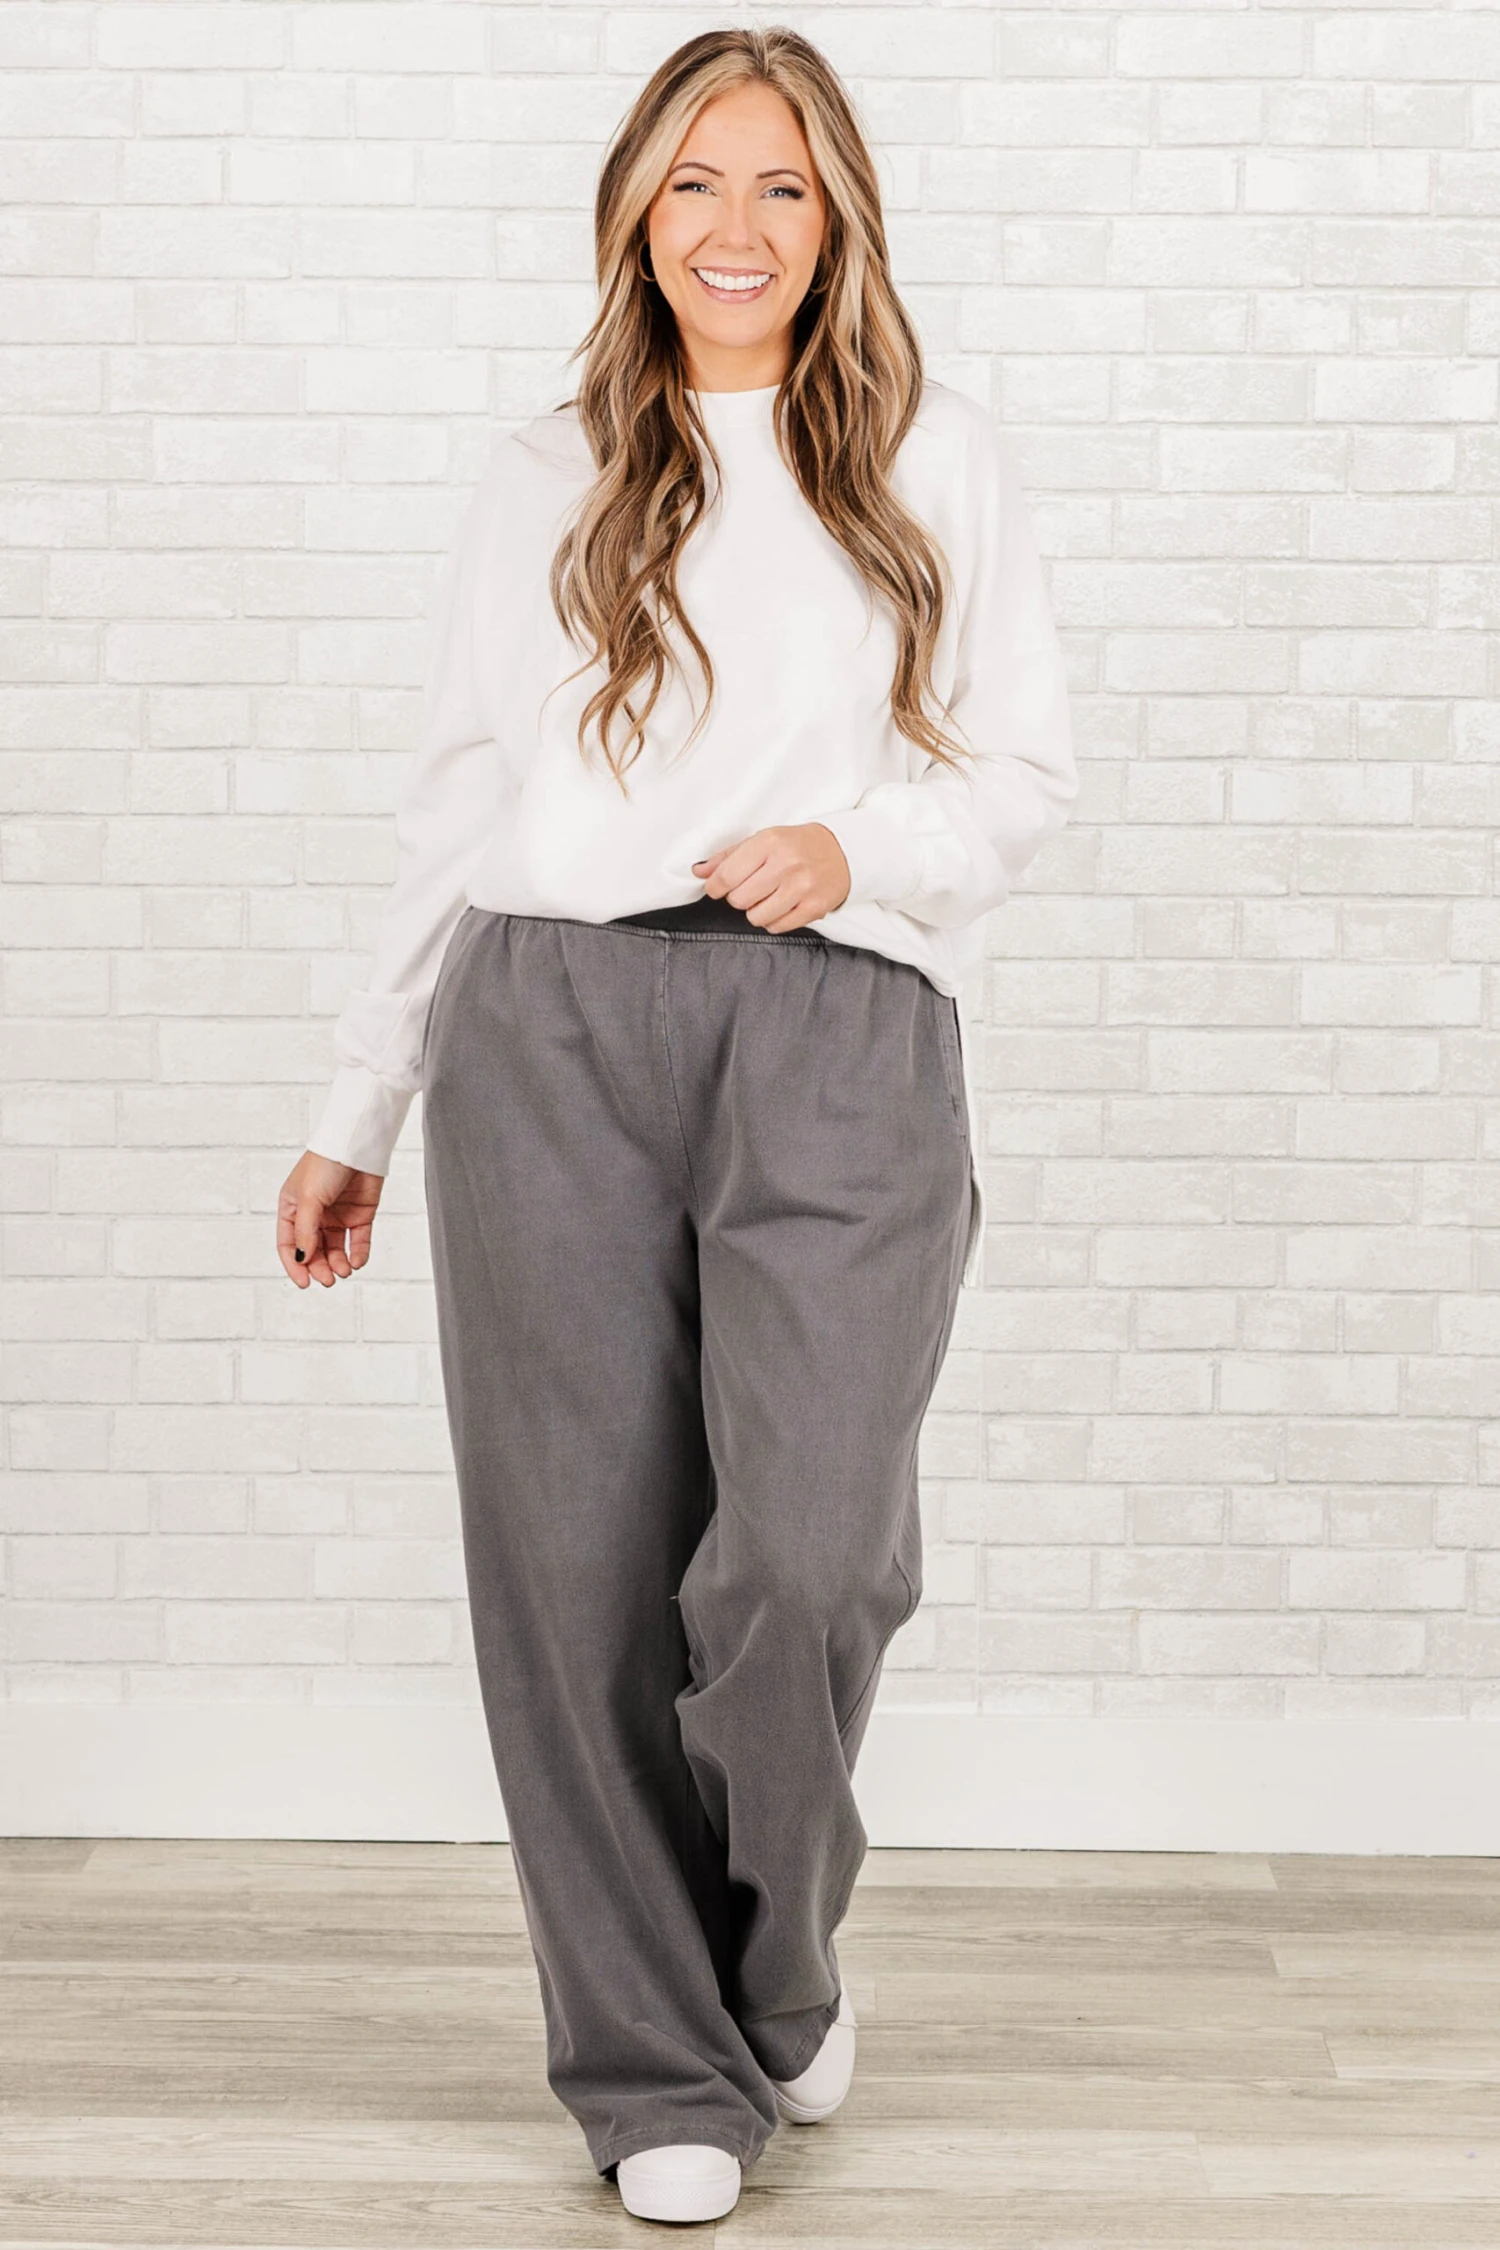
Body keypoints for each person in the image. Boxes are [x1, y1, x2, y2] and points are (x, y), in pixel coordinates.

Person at [276, 24, 1076, 2229]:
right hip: (546, 1025)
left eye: (783, 187)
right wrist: (361, 1099)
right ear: (636, 212)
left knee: (807, 1557)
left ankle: (775, 1961)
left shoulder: (935, 453)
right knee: (575, 1582)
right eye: (696, 182)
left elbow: (1022, 773)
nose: (737, 227)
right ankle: (652, 2071)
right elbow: (460, 799)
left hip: (843, 1023)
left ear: (841, 224)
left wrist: (859, 847)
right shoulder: (541, 474)